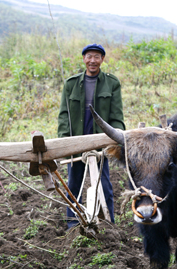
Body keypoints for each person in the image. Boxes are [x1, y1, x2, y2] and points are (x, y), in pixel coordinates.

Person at [57, 43, 125, 229]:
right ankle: (72, 224)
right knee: (74, 185)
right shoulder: (71, 84)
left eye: (97, 57)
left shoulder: (112, 83)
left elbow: (117, 116)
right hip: (76, 143)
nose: (92, 61)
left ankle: (108, 224)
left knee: (104, 185)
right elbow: (64, 115)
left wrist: (115, 138)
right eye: (89, 57)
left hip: (100, 143)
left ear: (102, 59)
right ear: (84, 59)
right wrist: (64, 140)